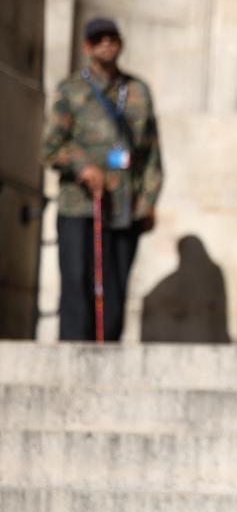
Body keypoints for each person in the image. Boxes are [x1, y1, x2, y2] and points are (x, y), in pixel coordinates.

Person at [41, 17, 162, 341]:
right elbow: (51, 147)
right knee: (77, 282)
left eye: (112, 38)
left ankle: (107, 353)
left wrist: (148, 201)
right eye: (98, 39)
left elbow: (151, 154)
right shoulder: (72, 90)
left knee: (116, 286)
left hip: (125, 205)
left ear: (120, 43)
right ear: (87, 47)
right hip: (80, 205)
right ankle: (72, 355)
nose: (106, 43)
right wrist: (82, 167)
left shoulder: (137, 91)